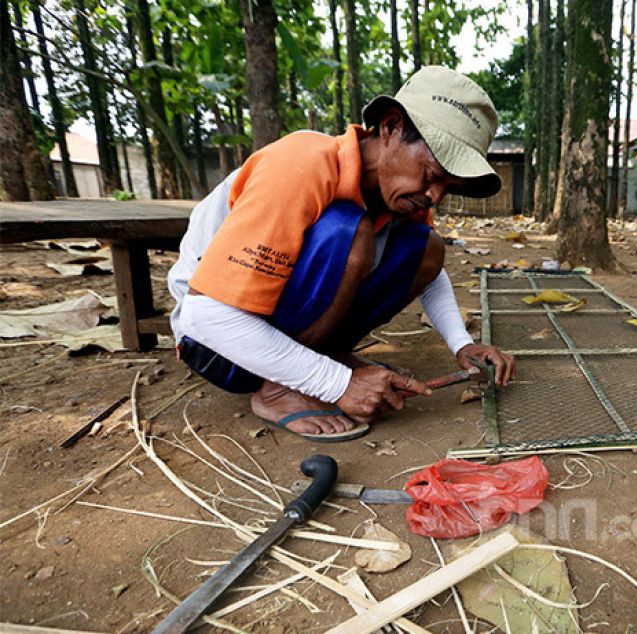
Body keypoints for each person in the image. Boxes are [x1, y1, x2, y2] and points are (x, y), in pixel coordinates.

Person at [167, 66, 515, 442]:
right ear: (391, 126)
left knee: (425, 244)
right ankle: (277, 389)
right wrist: (337, 383)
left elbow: (428, 270)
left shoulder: (401, 196)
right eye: (432, 174)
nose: (435, 196)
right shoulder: (300, 163)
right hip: (218, 347)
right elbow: (206, 316)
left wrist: (461, 344)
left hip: (265, 333)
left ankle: (317, 359)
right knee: (349, 232)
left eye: (449, 187)